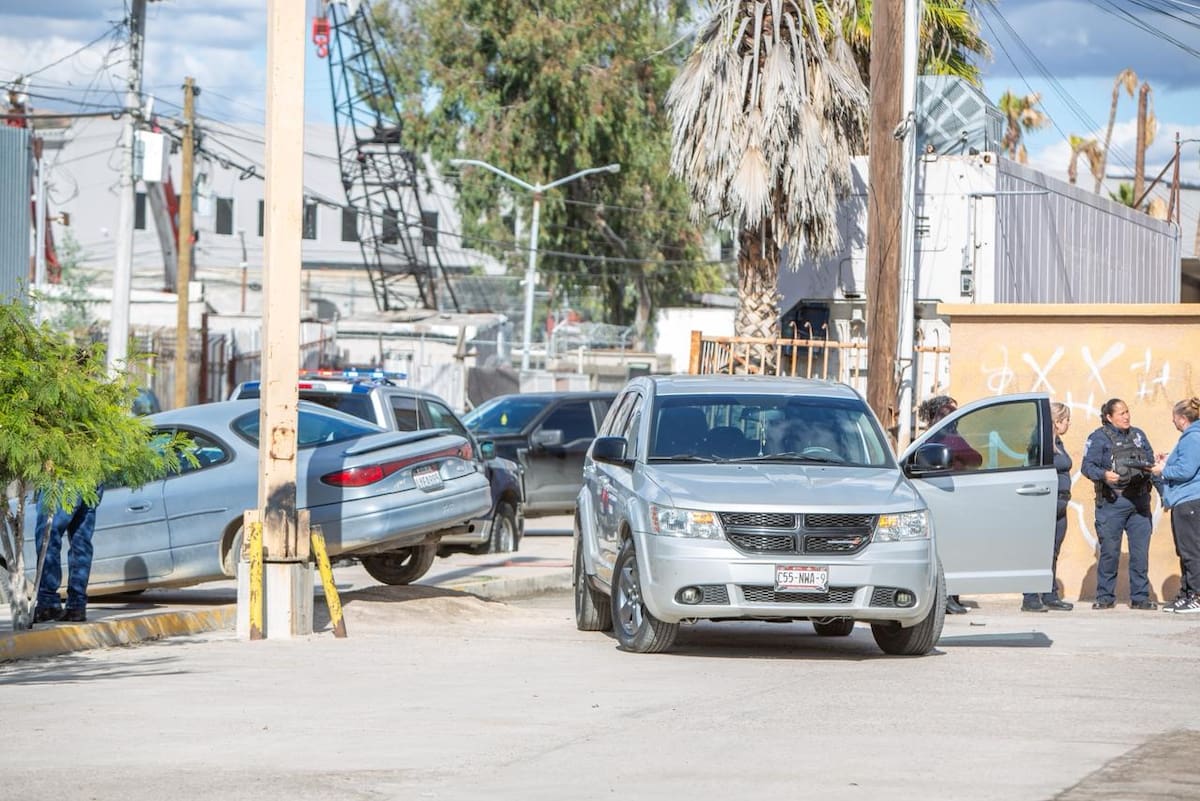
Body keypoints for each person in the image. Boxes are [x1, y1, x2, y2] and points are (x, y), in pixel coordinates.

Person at [1081, 398, 1162, 610]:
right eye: (1121, 413)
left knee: (1140, 552)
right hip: (1112, 502)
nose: (1126, 416)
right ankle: (1105, 597)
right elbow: (1087, 467)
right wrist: (1104, 475)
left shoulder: (1138, 435)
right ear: (1109, 417)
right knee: (1110, 551)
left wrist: (1164, 491)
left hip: (1140, 503)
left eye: (1127, 412)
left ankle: (1140, 598)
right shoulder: (1099, 438)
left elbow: (1151, 462)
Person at [917, 394, 980, 614]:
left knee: (953, 548)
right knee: (947, 549)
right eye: (948, 413)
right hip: (941, 498)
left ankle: (952, 596)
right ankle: (947, 598)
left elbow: (974, 459)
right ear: (937, 415)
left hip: (950, 497)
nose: (954, 418)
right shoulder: (944, 438)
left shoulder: (935, 437)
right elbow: (974, 458)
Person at [1022, 402, 1074, 612]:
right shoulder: (1040, 444)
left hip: (1060, 504)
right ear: (1056, 421)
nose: (1068, 424)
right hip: (1045, 503)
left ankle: (1050, 593)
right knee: (1038, 551)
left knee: (1052, 551)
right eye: (1066, 420)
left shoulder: (1058, 443)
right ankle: (1030, 596)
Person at [1150, 397, 1200, 614]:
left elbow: (1187, 470)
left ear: (1182, 418)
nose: (1172, 422)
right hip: (1183, 500)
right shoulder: (1190, 438)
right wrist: (1169, 459)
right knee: (1185, 550)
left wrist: (1163, 471)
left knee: (1191, 551)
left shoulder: (1193, 437)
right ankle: (1187, 593)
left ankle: (1196, 595)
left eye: (1174, 418)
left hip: (1189, 500)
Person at [32, 487, 104, 624]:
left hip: (64, 479)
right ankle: (76, 606)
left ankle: (48, 604)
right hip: (92, 477)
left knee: (47, 535)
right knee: (81, 542)